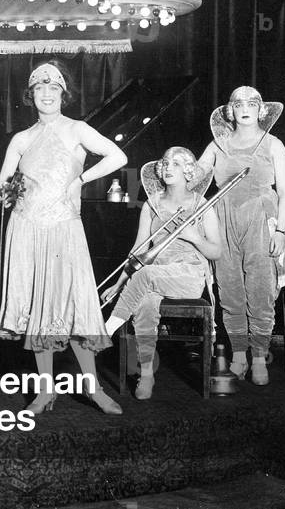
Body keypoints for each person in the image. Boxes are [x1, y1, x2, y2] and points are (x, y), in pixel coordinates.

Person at [0, 62, 127, 415]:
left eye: (54, 88)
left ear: (63, 94)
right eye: (40, 88)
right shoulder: (21, 139)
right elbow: (1, 185)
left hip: (65, 227)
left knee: (74, 308)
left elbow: (118, 156)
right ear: (31, 95)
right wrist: (9, 191)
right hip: (27, 228)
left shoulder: (78, 129)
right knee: (40, 307)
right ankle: (44, 391)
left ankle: (94, 388)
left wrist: (81, 181)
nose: (47, 94)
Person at [100, 148, 221, 399]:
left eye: (176, 164)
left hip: (188, 275)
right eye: (165, 163)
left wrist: (195, 237)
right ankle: (146, 374)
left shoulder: (202, 204)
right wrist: (120, 282)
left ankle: (106, 330)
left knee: (146, 277)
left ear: (188, 171)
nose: (167, 167)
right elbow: (139, 251)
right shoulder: (151, 204)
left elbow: (216, 252)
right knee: (144, 303)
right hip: (154, 275)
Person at [197, 86, 285, 385]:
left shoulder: (273, 144)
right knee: (230, 287)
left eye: (252, 103)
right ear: (230, 111)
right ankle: (239, 356)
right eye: (238, 104)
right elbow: (196, 178)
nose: (245, 108)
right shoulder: (217, 145)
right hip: (223, 220)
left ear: (261, 110)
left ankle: (260, 357)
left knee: (261, 288)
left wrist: (280, 230)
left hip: (262, 218)